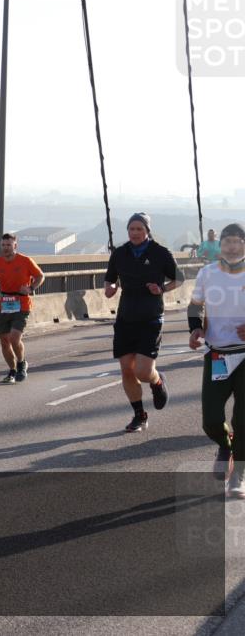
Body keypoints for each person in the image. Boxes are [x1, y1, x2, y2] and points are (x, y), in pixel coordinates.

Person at [104, 213, 183, 433]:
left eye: (139, 229)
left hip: (150, 317)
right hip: (126, 317)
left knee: (142, 371)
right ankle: (140, 415)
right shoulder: (120, 253)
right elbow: (109, 278)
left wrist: (162, 289)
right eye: (131, 229)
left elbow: (180, 278)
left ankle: (157, 382)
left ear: (147, 231)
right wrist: (109, 288)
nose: (135, 233)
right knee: (126, 370)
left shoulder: (160, 253)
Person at [188, 223, 245, 497]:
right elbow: (194, 304)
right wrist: (195, 328)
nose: (232, 246)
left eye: (237, 241)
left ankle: (238, 478)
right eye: (227, 242)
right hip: (218, 354)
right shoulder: (207, 273)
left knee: (244, 420)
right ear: (220, 245)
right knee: (211, 419)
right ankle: (226, 443)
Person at [0, 233, 45, 383]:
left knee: (14, 337)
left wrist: (31, 288)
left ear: (15, 246)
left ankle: (21, 362)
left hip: (22, 303)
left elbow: (40, 276)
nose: (5, 248)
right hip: (4, 303)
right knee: (4, 340)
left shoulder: (25, 261)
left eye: (9, 245)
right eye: (3, 245)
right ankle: (12, 371)